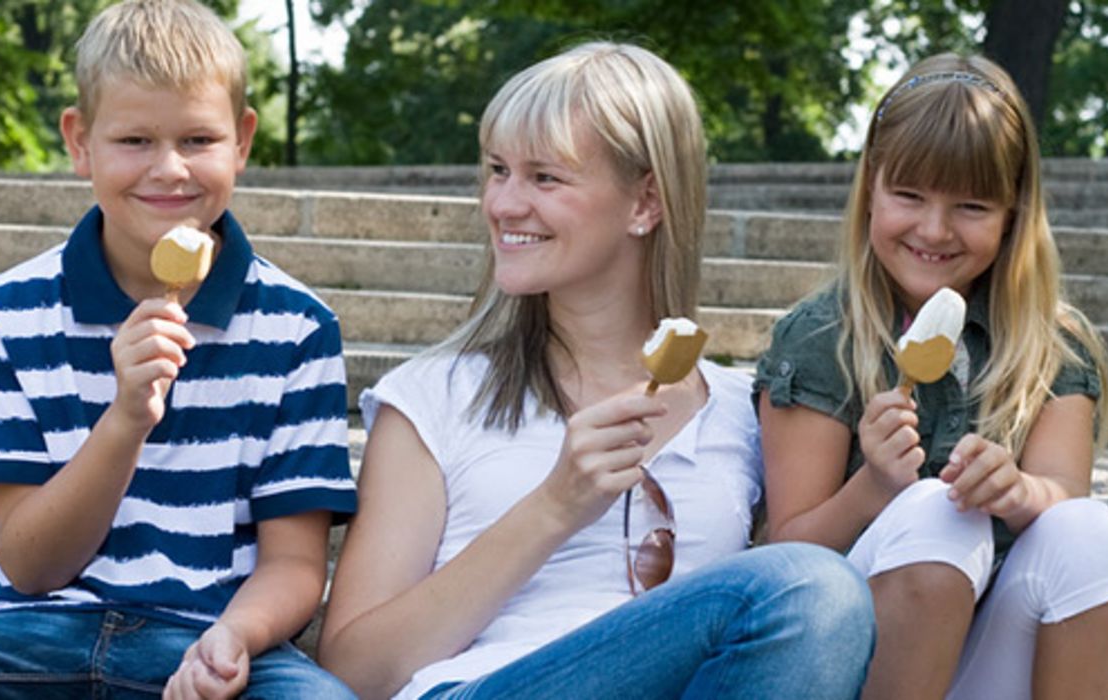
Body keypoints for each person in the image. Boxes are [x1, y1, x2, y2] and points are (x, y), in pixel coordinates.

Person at [0, 1, 357, 697]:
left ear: (242, 141)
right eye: (134, 141)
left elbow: (293, 563)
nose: (169, 170)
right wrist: (126, 419)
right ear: (79, 142)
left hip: (209, 637)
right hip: (31, 641)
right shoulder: (9, 312)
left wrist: (234, 637)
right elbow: (30, 566)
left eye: (198, 140)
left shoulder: (298, 326)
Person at [316, 41, 875, 700]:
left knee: (819, 596)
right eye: (497, 170)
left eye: (543, 177)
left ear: (645, 203)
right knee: (808, 586)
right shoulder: (432, 398)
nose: (503, 203)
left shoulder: (739, 411)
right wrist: (553, 508)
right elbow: (353, 670)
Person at [754, 53, 1108, 700]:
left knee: (1094, 532)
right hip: (846, 655)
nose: (933, 230)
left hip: (989, 655)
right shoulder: (822, 337)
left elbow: (1064, 495)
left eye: (969, 205)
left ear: (1013, 211)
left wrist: (1018, 492)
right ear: (870, 187)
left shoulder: (1049, 343)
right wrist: (873, 487)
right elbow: (782, 555)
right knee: (935, 510)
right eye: (908, 196)